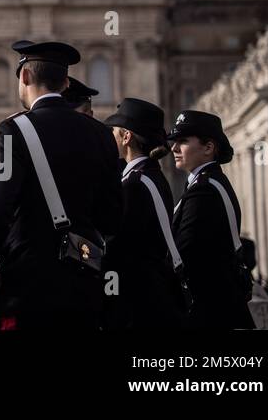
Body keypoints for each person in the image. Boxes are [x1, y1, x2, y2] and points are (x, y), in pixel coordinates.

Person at [0, 41, 122, 330]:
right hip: (85, 278)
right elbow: (112, 216)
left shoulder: (14, 129)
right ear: (65, 83)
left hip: (28, 283)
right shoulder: (102, 134)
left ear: (24, 77)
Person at [102, 98, 189, 329]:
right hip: (151, 291)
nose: (110, 136)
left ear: (127, 137)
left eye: (114, 131)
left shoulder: (135, 183)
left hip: (139, 300)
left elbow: (119, 245)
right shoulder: (149, 175)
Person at [168, 110, 254, 329]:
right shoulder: (206, 183)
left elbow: (183, 249)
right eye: (174, 141)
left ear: (208, 148)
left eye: (183, 141)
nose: (174, 148)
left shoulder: (204, 190)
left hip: (210, 311)